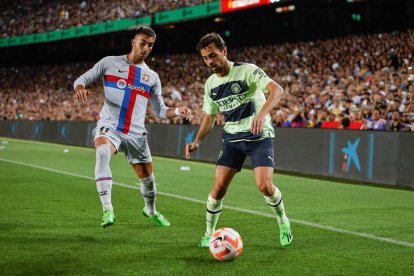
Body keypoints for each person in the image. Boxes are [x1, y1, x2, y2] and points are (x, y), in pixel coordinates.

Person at [74, 26, 192, 228]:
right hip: (110, 125)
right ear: (133, 42)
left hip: (136, 134)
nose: (146, 48)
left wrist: (179, 111)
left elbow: (161, 111)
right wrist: (80, 88)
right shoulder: (109, 62)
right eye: (143, 43)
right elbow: (82, 79)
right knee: (102, 153)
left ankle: (151, 210)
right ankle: (107, 209)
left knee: (148, 180)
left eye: (151, 45)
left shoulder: (152, 77)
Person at [185, 33, 293, 248]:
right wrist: (197, 141)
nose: (210, 61)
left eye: (213, 56)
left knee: (264, 186)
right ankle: (209, 233)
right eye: (205, 58)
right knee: (218, 188)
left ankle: (283, 222)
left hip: (258, 137)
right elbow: (209, 117)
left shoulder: (247, 70)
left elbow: (277, 89)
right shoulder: (210, 84)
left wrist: (261, 114)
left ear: (224, 51)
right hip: (232, 139)